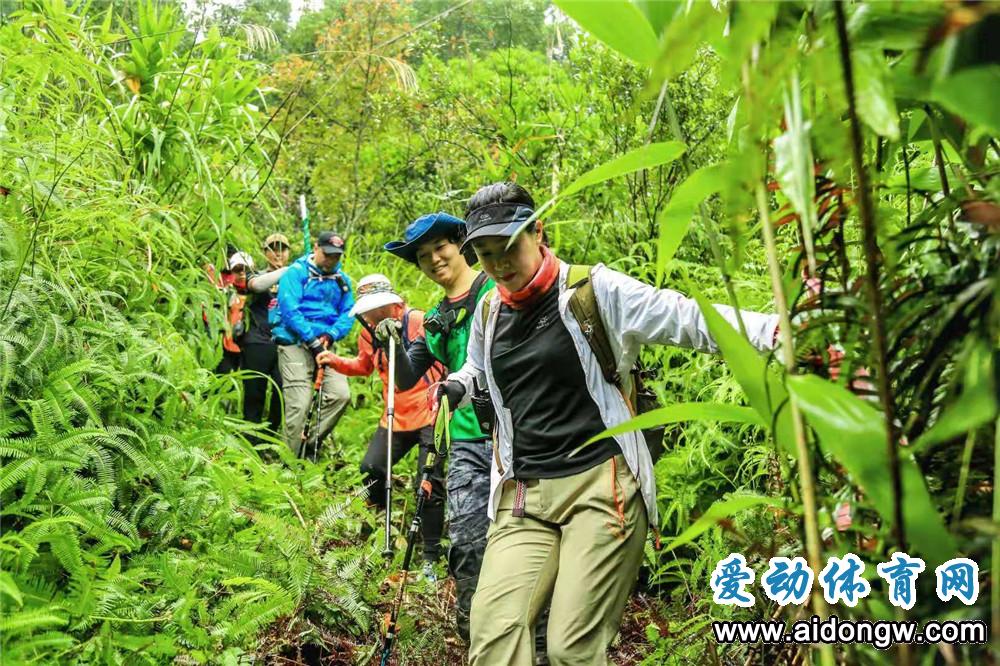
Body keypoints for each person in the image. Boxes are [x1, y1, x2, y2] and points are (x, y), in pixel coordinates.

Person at [439, 182, 779, 665]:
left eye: (508, 247)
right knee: (492, 634)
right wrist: (458, 384)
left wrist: (775, 332)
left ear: (538, 231)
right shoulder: (490, 311)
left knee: (572, 649)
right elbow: (478, 369)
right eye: (486, 255)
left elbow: (684, 317)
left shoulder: (593, 291)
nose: (498, 265)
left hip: (601, 488)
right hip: (523, 494)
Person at [379, 212, 495, 642]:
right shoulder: (432, 320)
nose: (434, 260)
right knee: (467, 541)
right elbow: (409, 377)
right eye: (424, 256)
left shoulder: (495, 290)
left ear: (460, 245)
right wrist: (387, 340)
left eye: (440, 248)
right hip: (465, 436)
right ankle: (475, 633)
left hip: (516, 436)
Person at [315, 274, 447, 575]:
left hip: (431, 412)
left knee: (427, 486)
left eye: (377, 308)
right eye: (367, 311)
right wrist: (334, 361)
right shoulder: (369, 332)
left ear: (394, 304)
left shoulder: (418, 322)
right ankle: (376, 522)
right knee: (372, 466)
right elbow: (364, 366)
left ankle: (429, 557)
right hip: (396, 416)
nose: (371, 315)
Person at [271, 231, 354, 456]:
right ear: (316, 248)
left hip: (326, 344)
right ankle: (288, 463)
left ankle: (307, 447)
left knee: (340, 395)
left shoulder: (342, 281)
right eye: (327, 254)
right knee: (299, 404)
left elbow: (349, 312)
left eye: (336, 256)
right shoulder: (295, 273)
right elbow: (289, 309)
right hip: (295, 343)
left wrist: (332, 334)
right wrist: (312, 340)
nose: (331, 260)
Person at [240, 233, 291, 441]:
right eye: (272, 248)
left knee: (283, 392)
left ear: (289, 252)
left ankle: (269, 436)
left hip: (286, 344)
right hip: (257, 342)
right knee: (254, 392)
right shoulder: (256, 275)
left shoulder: (296, 278)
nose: (277, 252)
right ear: (265, 252)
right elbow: (256, 286)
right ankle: (250, 440)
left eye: (282, 248)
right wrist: (285, 271)